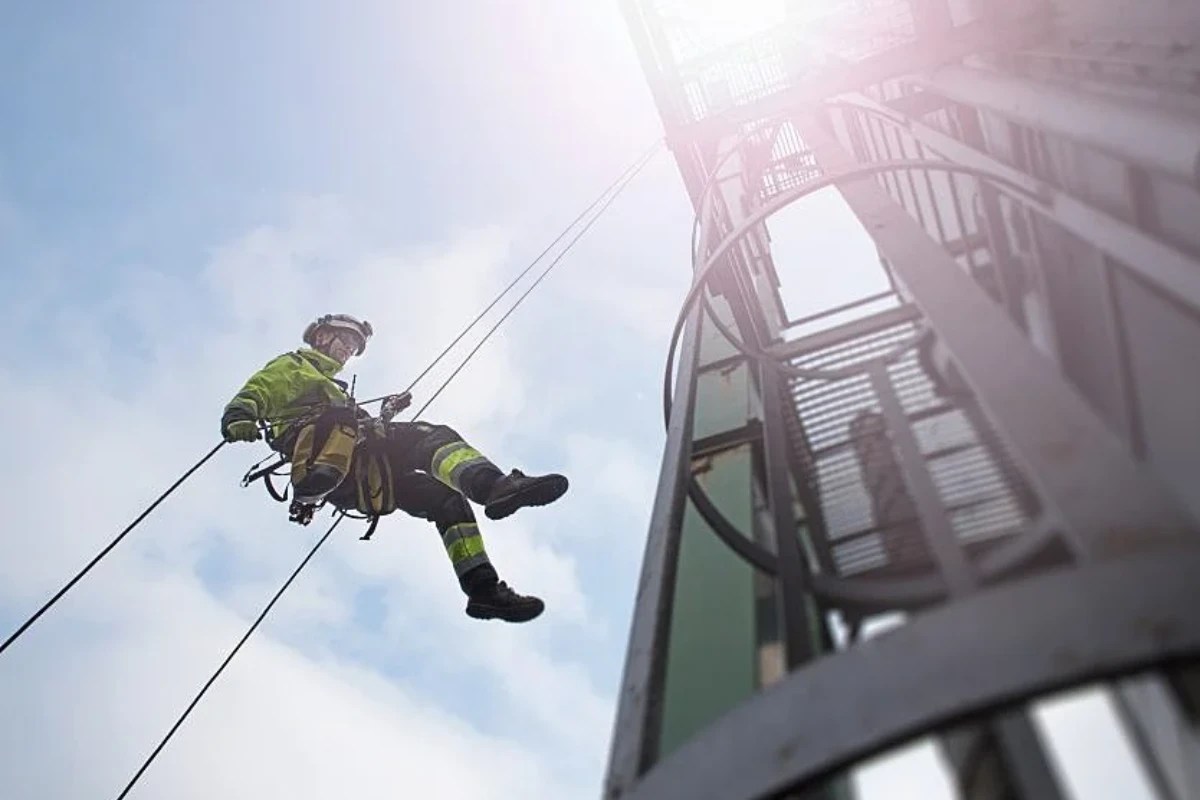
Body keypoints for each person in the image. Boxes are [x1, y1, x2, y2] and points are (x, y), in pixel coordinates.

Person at [219, 313, 568, 623]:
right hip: (328, 456)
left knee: (446, 501)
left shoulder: (336, 390)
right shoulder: (298, 366)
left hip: (355, 468)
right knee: (430, 437)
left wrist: (386, 414)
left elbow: (361, 431)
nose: (347, 352)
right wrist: (240, 415)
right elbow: (262, 388)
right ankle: (494, 487)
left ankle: (483, 590)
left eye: (354, 348)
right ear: (323, 336)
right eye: (345, 341)